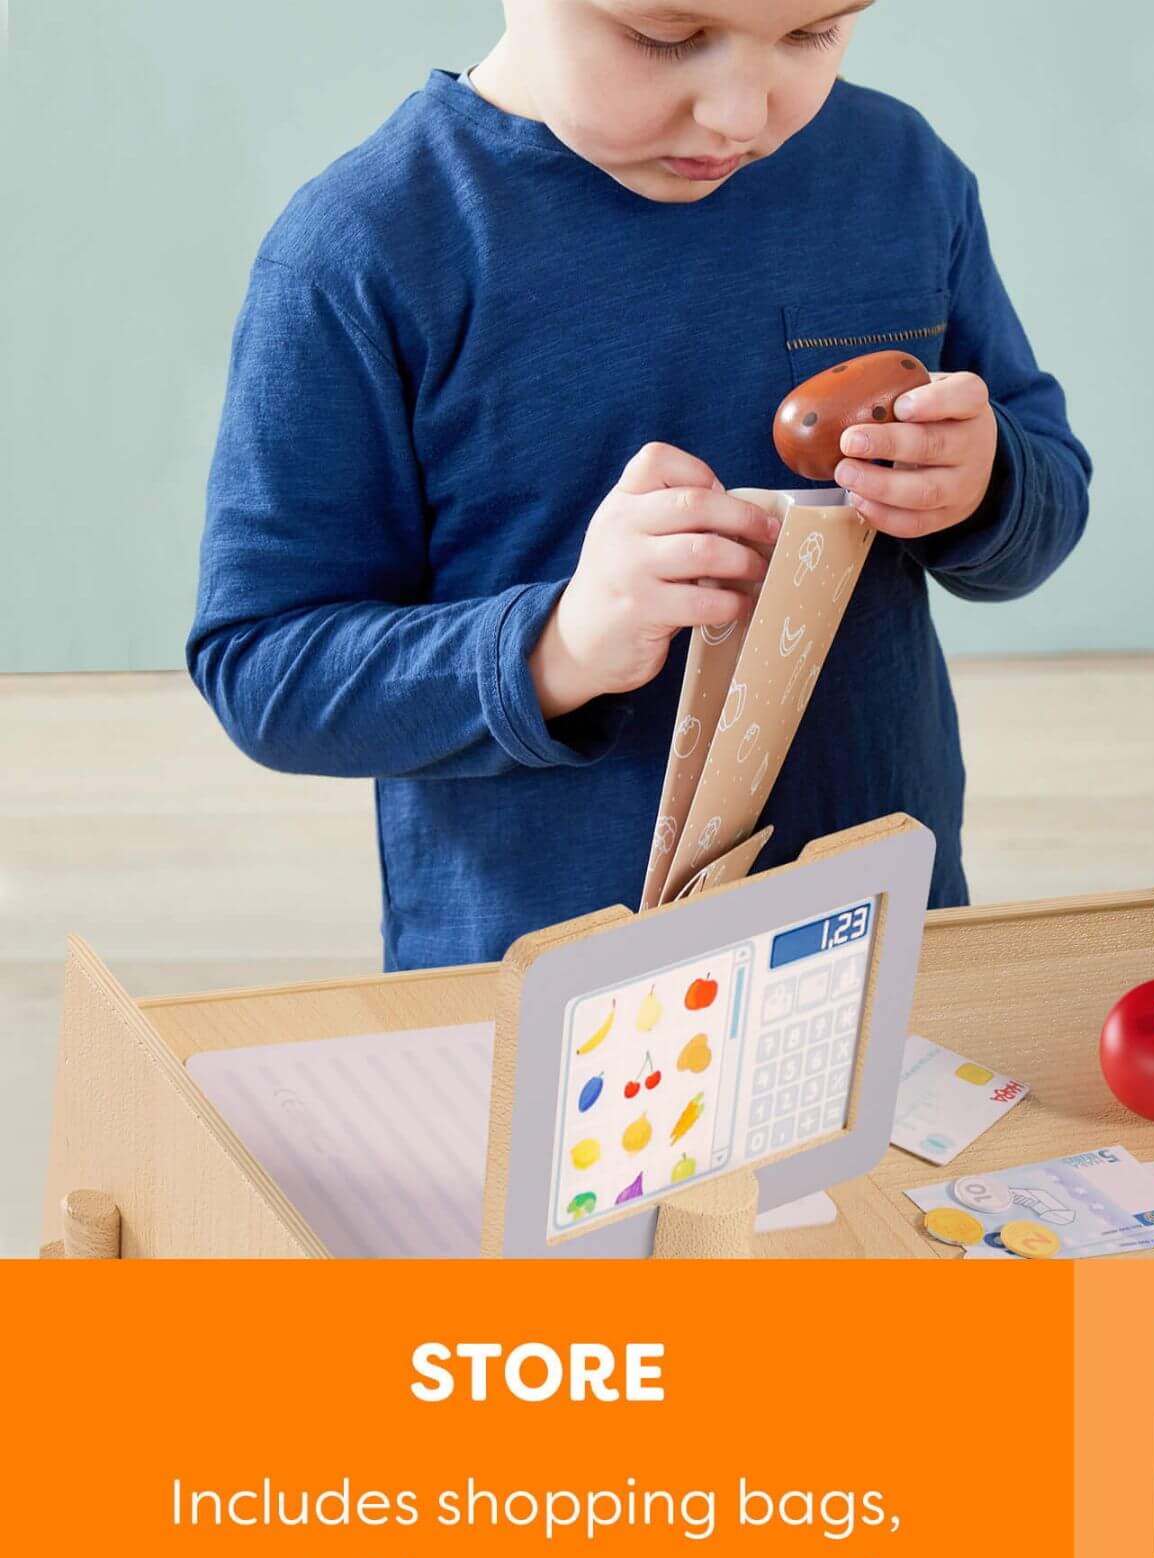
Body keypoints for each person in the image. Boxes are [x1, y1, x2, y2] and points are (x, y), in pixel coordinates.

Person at [191, 0, 1091, 970]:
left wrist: (986, 482)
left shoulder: (902, 177)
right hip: (547, 983)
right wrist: (560, 646)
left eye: (811, 34)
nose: (740, 115)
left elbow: (1047, 495)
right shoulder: (365, 248)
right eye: (665, 39)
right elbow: (265, 670)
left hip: (876, 936)